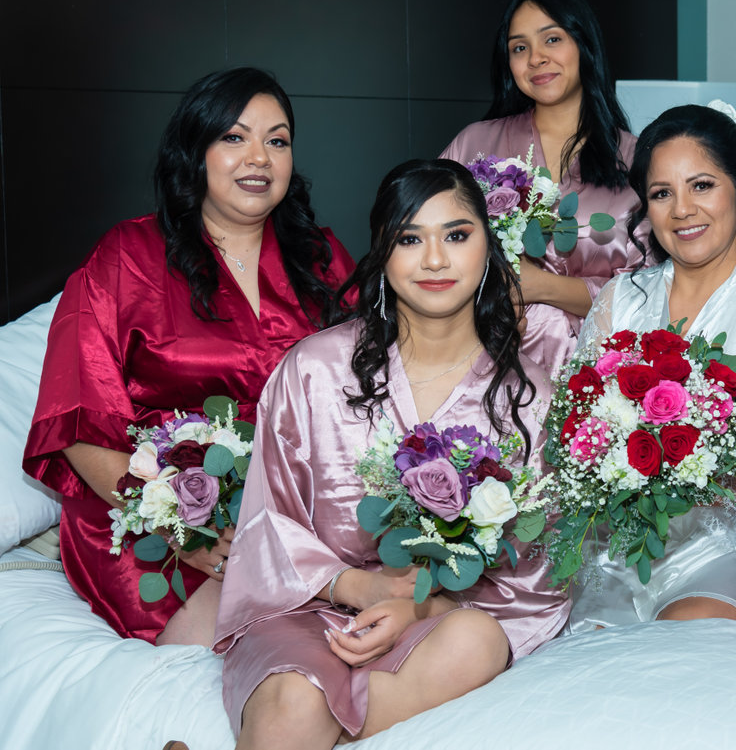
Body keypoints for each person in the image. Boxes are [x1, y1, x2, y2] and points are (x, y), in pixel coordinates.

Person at [214, 159, 569, 748]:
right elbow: (266, 525)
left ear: (489, 247)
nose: (435, 260)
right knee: (296, 701)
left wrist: (419, 609)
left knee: (476, 641)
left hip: (435, 625)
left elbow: (534, 575)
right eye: (410, 239)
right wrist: (359, 589)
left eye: (456, 235)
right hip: (309, 607)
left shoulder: (528, 402)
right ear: (382, 251)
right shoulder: (311, 372)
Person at [22, 67, 353, 645]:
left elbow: (372, 385)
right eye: (234, 137)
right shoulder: (128, 256)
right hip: (153, 513)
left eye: (277, 141)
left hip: (298, 505)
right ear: (195, 150)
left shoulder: (320, 257)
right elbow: (79, 417)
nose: (260, 157)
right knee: (271, 632)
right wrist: (180, 525)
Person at [567, 103, 736, 631]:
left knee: (691, 649)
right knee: (588, 657)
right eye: (661, 193)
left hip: (720, 547)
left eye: (701, 186)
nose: (682, 210)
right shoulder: (619, 299)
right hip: (614, 543)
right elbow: (574, 425)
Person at [441, 0, 643, 374]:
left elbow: (659, 290)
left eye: (552, 39)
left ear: (583, 46)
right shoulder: (475, 145)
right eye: (520, 48)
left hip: (609, 378)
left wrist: (541, 287)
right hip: (490, 366)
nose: (535, 58)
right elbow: (429, 249)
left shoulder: (637, 160)